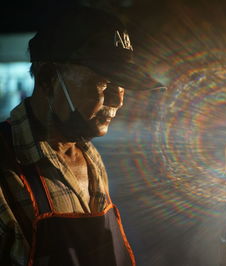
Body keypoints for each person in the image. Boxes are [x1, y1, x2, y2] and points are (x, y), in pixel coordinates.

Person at [0, 6, 163, 266]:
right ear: (48, 79)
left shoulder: (89, 156)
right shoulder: (6, 171)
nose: (118, 100)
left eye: (122, 85)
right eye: (104, 83)